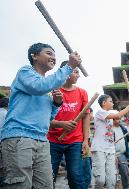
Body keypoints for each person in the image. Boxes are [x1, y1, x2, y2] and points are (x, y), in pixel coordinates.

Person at [0, 43, 81, 188]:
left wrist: (56, 103)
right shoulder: (25, 72)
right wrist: (69, 66)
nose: (53, 57)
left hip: (42, 140)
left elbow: (49, 118)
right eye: (49, 53)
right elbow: (39, 87)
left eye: (54, 55)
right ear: (34, 56)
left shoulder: (49, 85)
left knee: (46, 185)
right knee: (20, 184)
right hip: (20, 137)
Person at [47, 61, 90, 189]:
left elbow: (86, 115)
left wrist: (85, 140)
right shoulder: (52, 90)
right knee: (49, 174)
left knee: (75, 175)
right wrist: (61, 124)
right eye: (76, 71)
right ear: (66, 71)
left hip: (75, 141)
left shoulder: (82, 93)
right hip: (52, 140)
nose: (78, 75)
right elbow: (45, 116)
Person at [90, 94, 129, 189]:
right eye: (110, 101)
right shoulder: (100, 112)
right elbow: (118, 115)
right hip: (99, 149)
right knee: (101, 180)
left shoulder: (112, 114)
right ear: (104, 103)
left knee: (112, 181)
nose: (113, 103)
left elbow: (119, 116)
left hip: (110, 150)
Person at [112, 110, 129, 189]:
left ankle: (126, 187)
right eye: (116, 119)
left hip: (122, 154)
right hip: (112, 154)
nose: (118, 120)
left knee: (125, 173)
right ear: (112, 119)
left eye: (119, 119)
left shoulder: (123, 128)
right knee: (112, 175)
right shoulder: (109, 128)